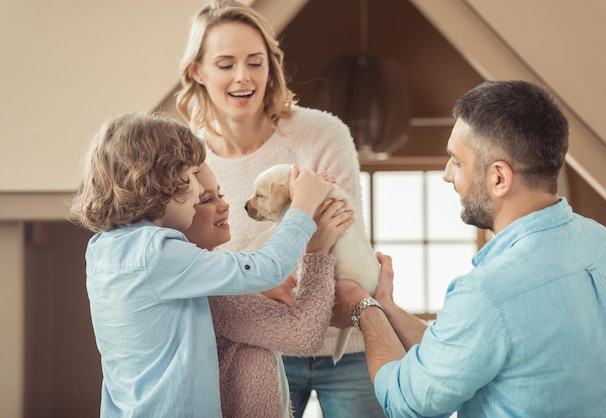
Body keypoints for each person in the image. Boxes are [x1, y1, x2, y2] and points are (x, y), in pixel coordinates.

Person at [331, 80, 606, 417]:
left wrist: (362, 308)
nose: (446, 174)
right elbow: (459, 352)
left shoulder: (488, 292)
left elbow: (408, 402)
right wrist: (385, 306)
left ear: (499, 178)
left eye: (457, 162)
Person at [176, 1, 386, 417]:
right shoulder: (188, 159)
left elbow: (341, 232)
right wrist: (306, 236)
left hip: (347, 338)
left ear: (272, 65)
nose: (243, 77)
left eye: (256, 62)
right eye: (225, 64)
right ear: (198, 71)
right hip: (257, 348)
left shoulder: (322, 135)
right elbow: (195, 268)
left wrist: (252, 273)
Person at [70, 111, 332, 417]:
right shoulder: (157, 252)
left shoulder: (102, 249)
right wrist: (303, 206)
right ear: (160, 180)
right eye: (193, 175)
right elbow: (266, 267)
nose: (197, 193)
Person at [183, 163, 353, 417]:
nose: (225, 205)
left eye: (221, 195)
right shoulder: (215, 289)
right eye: (207, 199)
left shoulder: (216, 274)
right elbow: (304, 335)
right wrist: (317, 252)